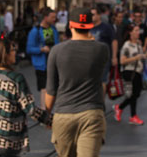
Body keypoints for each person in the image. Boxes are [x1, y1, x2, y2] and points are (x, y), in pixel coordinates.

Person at [45, 8, 109, 157]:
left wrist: (47, 115)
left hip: (63, 115)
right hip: (92, 113)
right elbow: (102, 81)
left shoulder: (56, 51)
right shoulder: (102, 50)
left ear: (70, 25)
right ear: (90, 26)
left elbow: (51, 90)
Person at [113, 24, 147, 125]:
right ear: (130, 33)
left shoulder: (138, 44)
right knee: (132, 95)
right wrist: (137, 57)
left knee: (136, 94)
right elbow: (122, 61)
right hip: (129, 72)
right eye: (136, 31)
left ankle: (120, 108)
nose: (139, 33)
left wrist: (143, 56)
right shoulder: (126, 45)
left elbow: (139, 56)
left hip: (137, 72)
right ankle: (133, 116)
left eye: (138, 31)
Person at [26, 6, 60, 107]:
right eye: (52, 17)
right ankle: (44, 110)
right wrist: (41, 50)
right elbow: (29, 49)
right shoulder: (35, 31)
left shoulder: (53, 29)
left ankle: (48, 110)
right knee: (44, 88)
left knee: (52, 87)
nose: (54, 19)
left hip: (53, 62)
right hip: (41, 63)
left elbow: (57, 43)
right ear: (45, 17)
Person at [91, 6, 117, 95]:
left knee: (102, 80)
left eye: (93, 15)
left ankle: (101, 104)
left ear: (99, 15)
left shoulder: (107, 27)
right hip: (90, 59)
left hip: (103, 59)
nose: (91, 17)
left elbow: (114, 41)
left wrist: (114, 57)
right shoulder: (87, 27)